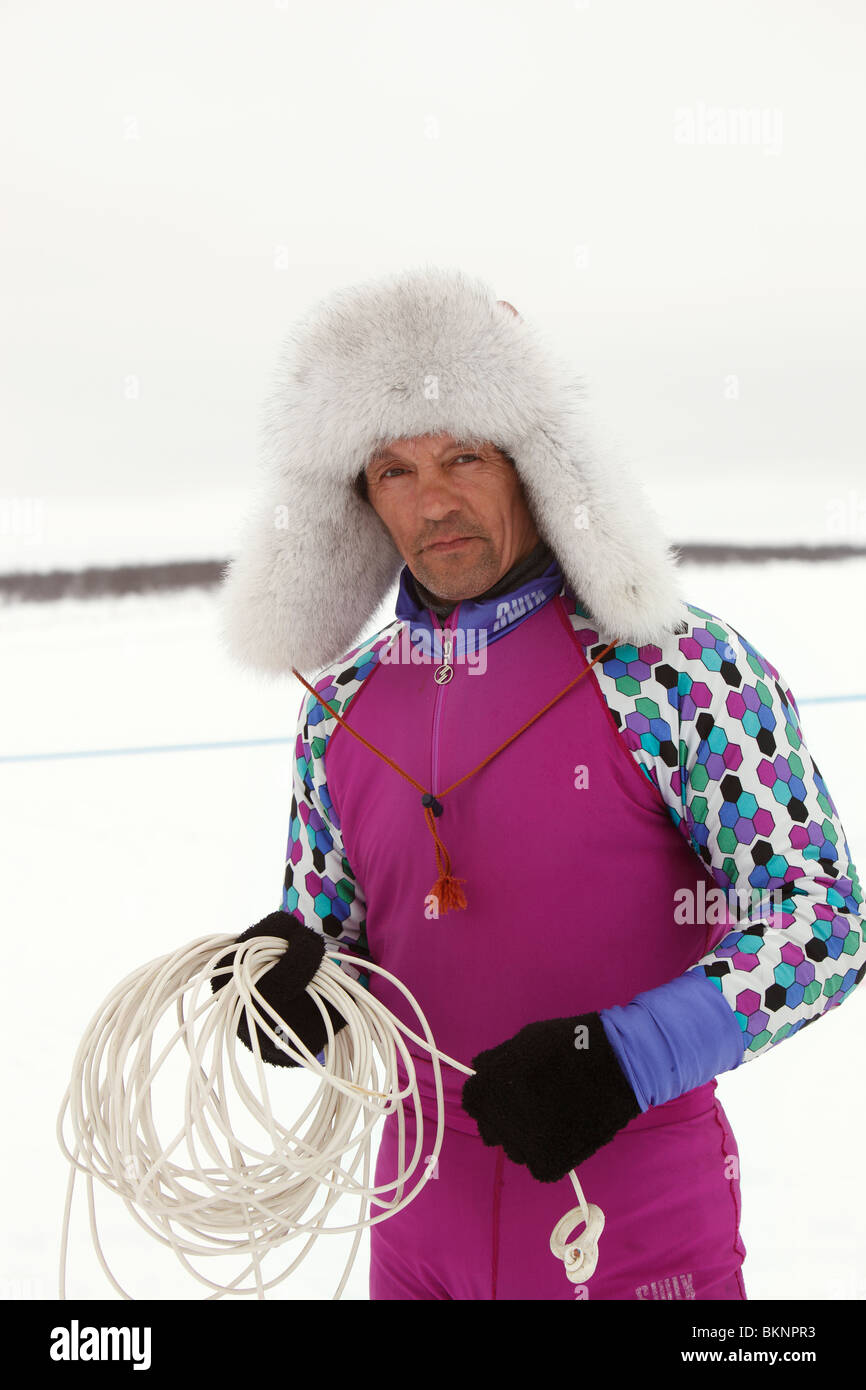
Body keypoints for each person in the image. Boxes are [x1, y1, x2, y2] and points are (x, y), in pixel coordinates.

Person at [216, 265, 866, 1301]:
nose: (433, 500)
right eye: (391, 469)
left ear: (529, 461)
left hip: (636, 1250)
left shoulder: (673, 667)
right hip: (411, 1245)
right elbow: (334, 943)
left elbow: (821, 920)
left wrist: (625, 1054)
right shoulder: (336, 707)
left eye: (462, 454)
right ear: (357, 501)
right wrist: (296, 995)